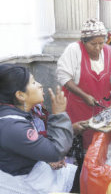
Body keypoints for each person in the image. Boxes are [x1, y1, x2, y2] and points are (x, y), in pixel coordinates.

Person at [0, 64, 76, 194]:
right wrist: (59, 115)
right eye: (33, 82)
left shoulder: (18, 115)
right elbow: (56, 151)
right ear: (20, 95)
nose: (40, 85)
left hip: (34, 172)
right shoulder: (12, 126)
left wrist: (47, 159)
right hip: (22, 184)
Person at [57, 19, 111, 149]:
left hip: (101, 107)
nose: (98, 47)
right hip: (78, 106)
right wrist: (84, 95)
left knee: (99, 144)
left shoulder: (109, 52)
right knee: (80, 143)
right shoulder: (74, 50)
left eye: (101, 43)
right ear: (84, 41)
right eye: (93, 44)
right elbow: (63, 77)